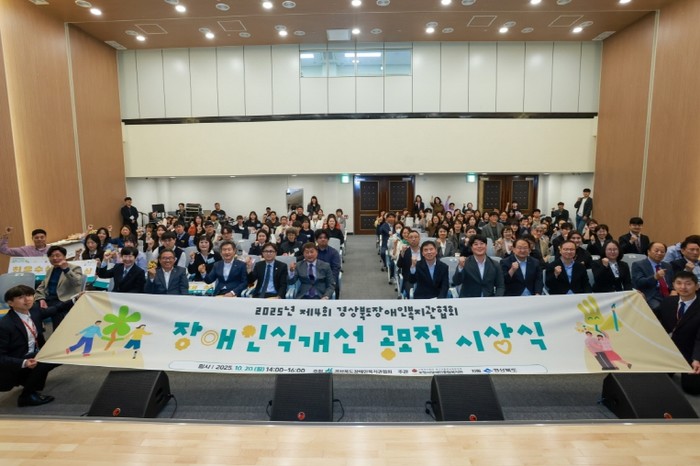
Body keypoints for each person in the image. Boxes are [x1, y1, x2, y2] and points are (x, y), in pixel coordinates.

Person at [0, 285, 75, 407]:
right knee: (45, 359)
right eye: (20, 297)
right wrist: (24, 363)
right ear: (10, 303)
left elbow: (56, 309)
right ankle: (26, 396)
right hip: (15, 362)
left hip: (32, 354)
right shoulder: (5, 325)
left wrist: (75, 299)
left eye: (29, 295)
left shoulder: (34, 311)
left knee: (60, 354)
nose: (27, 299)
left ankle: (28, 380)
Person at [655, 271, 700, 375]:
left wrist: (697, 358)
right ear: (673, 285)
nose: (683, 287)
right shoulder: (668, 301)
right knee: (661, 379)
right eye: (679, 283)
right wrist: (640, 301)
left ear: (697, 286)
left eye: (688, 284)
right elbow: (652, 317)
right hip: (668, 349)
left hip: (691, 351)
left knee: (691, 383)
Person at [35, 246, 83, 329]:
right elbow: (42, 286)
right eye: (51, 256)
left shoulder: (75, 268)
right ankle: (38, 334)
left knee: (56, 312)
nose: (54, 258)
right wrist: (41, 298)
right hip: (49, 299)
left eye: (58, 255)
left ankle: (57, 335)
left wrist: (66, 269)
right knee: (32, 311)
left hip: (65, 300)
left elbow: (77, 282)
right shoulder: (50, 270)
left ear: (64, 257)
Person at [631, 242, 673, 312]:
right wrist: (654, 277)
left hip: (668, 293)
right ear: (648, 252)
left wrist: (673, 290)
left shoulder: (667, 265)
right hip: (651, 294)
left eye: (662, 252)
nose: (659, 253)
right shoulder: (638, 264)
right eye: (656, 251)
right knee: (659, 308)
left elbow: (672, 281)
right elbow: (639, 282)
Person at [316, 230, 342, 298]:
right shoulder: (312, 252)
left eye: (325, 238)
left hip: (329, 278)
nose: (323, 239)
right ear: (316, 240)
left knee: (335, 288)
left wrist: (331, 281)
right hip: (315, 278)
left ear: (328, 240)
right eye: (320, 238)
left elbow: (335, 269)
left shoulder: (334, 252)